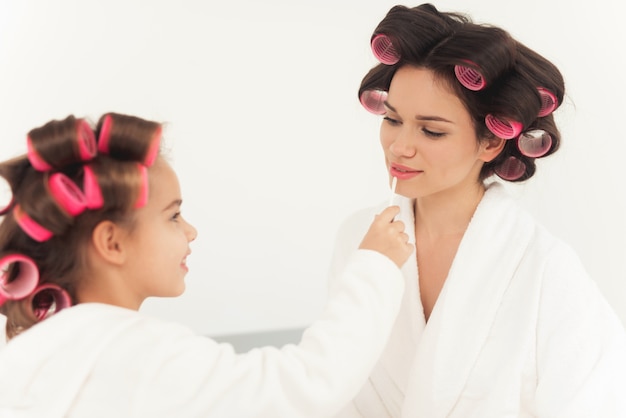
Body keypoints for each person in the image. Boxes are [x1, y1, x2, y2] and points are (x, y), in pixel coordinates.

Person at [0, 112, 414, 417]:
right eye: (173, 216)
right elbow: (303, 387)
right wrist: (374, 266)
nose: (191, 231)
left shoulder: (35, 351)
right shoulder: (139, 352)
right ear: (112, 241)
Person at [331, 3, 626, 417]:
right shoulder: (358, 237)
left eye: (432, 130)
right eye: (393, 119)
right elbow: (336, 386)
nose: (400, 146)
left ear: (491, 142)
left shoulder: (545, 269)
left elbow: (593, 404)